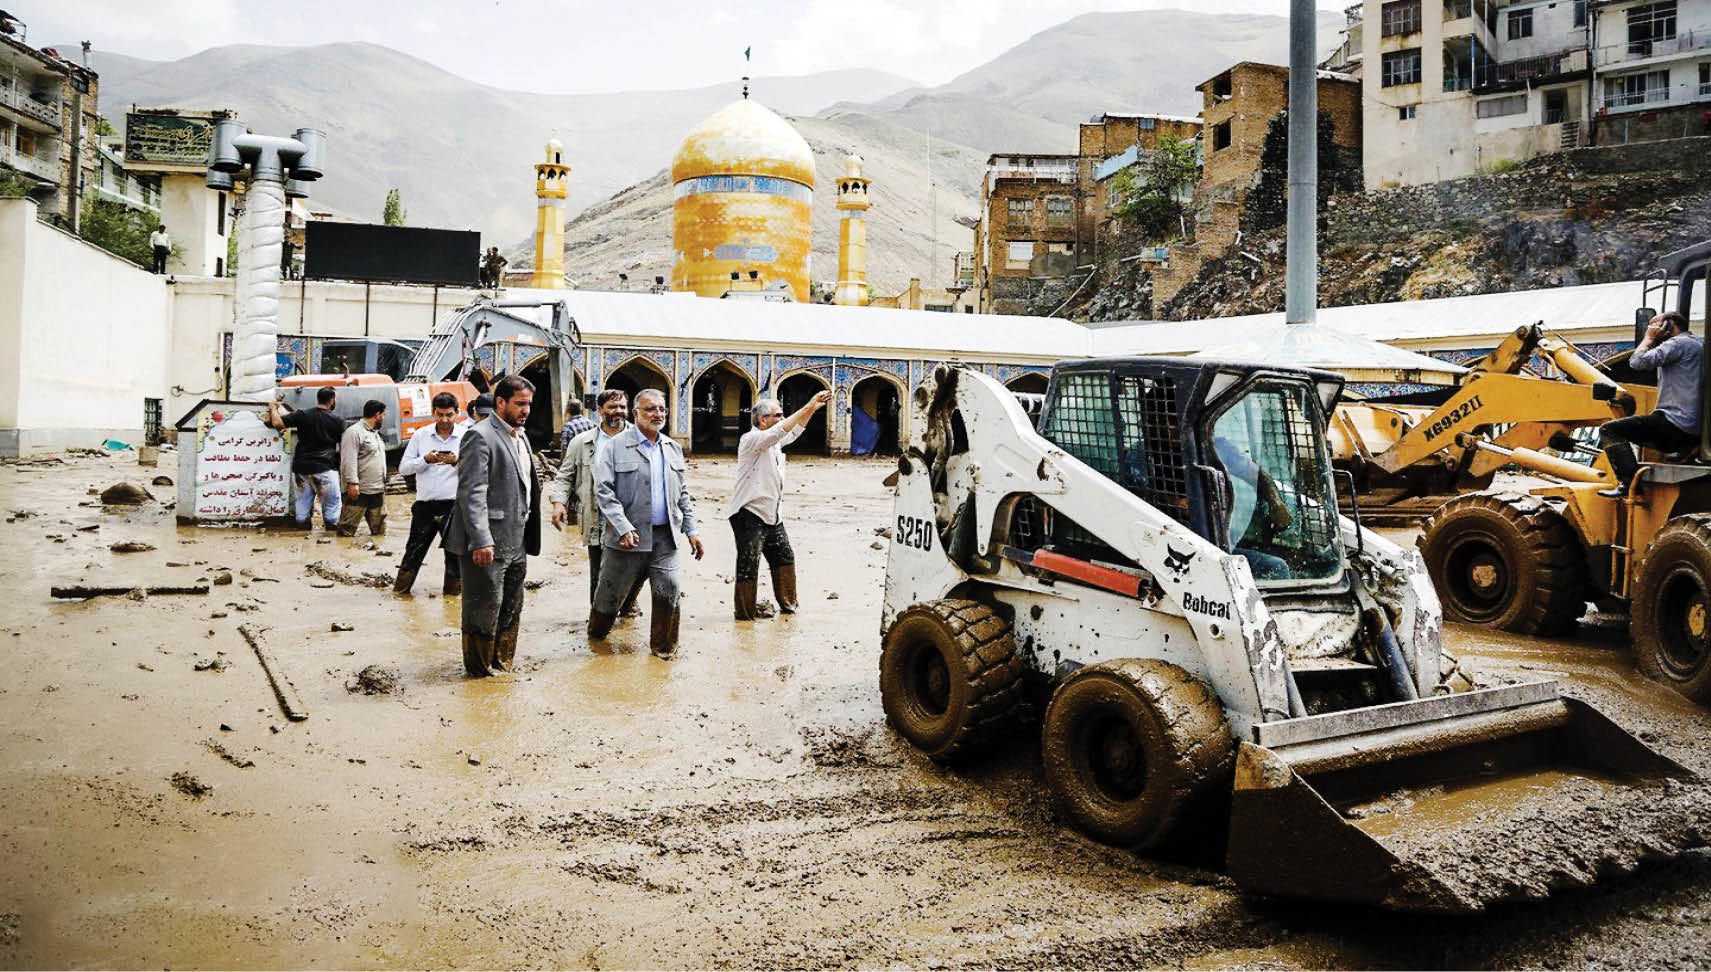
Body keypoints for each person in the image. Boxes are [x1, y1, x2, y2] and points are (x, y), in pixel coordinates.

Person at [589, 388, 704, 659]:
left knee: (669, 589)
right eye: (651, 409)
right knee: (610, 596)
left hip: (666, 537)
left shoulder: (672, 448)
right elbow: (603, 491)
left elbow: (682, 494)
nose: (658, 414)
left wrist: (692, 529)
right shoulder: (615, 447)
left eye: (662, 409)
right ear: (636, 413)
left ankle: (664, 651)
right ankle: (596, 635)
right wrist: (622, 525)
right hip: (626, 538)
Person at [445, 376, 542, 677]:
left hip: (517, 537)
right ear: (500, 403)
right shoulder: (480, 435)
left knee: (512, 604)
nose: (526, 410)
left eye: (528, 404)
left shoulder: (520, 437)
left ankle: (502, 662)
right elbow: (471, 492)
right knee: (483, 606)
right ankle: (478, 670)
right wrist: (481, 539)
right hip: (487, 540)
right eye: (520, 404)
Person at [726, 390, 831, 620]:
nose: (782, 419)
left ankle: (788, 605)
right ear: (763, 419)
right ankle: (744, 616)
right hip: (749, 513)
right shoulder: (751, 440)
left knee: (784, 557)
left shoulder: (775, 443)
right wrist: (806, 405)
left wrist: (812, 409)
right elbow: (780, 431)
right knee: (748, 564)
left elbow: (794, 430)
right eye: (777, 415)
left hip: (772, 514)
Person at [550, 389, 643, 614]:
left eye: (622, 407)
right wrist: (558, 502)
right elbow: (565, 475)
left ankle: (627, 605)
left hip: (633, 517)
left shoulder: (642, 439)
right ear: (599, 410)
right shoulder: (582, 442)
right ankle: (598, 620)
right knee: (599, 571)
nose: (618, 411)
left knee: (637, 568)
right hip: (598, 517)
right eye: (612, 407)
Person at [1601, 311, 1703, 496]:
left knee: (1610, 430)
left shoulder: (1678, 343)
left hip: (1676, 425)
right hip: (1694, 429)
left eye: (1654, 325)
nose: (1651, 330)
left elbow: (1637, 362)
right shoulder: (1699, 344)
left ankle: (1628, 484)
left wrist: (1648, 338)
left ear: (1669, 325)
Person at [394, 392, 466, 596]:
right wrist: (425, 460)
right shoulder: (420, 435)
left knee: (455, 554)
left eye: (449, 415)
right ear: (434, 413)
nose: (444, 420)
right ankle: (400, 592)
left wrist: (456, 462)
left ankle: (452, 598)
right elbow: (404, 468)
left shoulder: (466, 435)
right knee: (413, 551)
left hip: (454, 505)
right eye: (440, 414)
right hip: (425, 505)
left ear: (457, 414)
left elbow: (476, 470)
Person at [267, 386, 344, 530]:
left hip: (301, 469)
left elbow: (277, 423)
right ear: (332, 400)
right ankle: (330, 541)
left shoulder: (302, 415)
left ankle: (302, 536)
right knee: (332, 511)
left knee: (302, 509)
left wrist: (272, 408)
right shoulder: (338, 421)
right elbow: (343, 448)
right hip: (325, 468)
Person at [337, 399, 389, 537]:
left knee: (379, 532)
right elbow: (348, 460)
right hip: (359, 491)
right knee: (346, 532)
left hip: (377, 490)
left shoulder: (375, 434)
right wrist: (352, 483)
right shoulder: (354, 432)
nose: (383, 418)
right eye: (383, 415)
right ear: (377, 415)